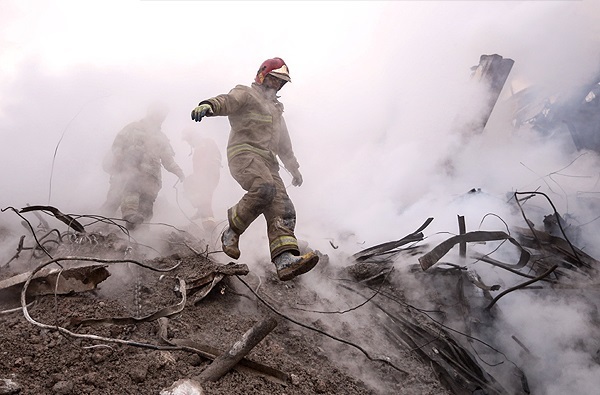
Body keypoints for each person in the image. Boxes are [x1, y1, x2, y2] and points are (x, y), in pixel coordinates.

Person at [190, 57, 318, 281]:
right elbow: (228, 101)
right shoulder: (246, 94)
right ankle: (232, 230)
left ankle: (284, 260)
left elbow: (284, 146)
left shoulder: (277, 111)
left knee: (283, 207)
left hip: (268, 163)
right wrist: (209, 105)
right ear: (262, 75)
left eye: (281, 83)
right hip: (244, 154)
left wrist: (294, 169)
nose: (276, 86)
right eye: (274, 80)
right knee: (264, 188)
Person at [102, 102, 185, 230]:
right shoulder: (133, 128)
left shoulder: (161, 138)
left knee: (145, 210)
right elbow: (117, 145)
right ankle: (98, 229)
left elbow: (168, 160)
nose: (161, 118)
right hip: (127, 173)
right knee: (114, 202)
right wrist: (119, 159)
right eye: (159, 114)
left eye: (163, 115)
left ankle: (139, 240)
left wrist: (179, 172)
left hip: (151, 179)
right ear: (151, 113)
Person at [181, 126, 222, 232]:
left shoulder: (207, 143)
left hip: (209, 175)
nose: (189, 143)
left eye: (189, 140)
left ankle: (210, 229)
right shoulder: (199, 148)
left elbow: (214, 160)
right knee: (201, 198)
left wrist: (205, 174)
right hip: (203, 177)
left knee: (204, 201)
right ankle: (200, 208)